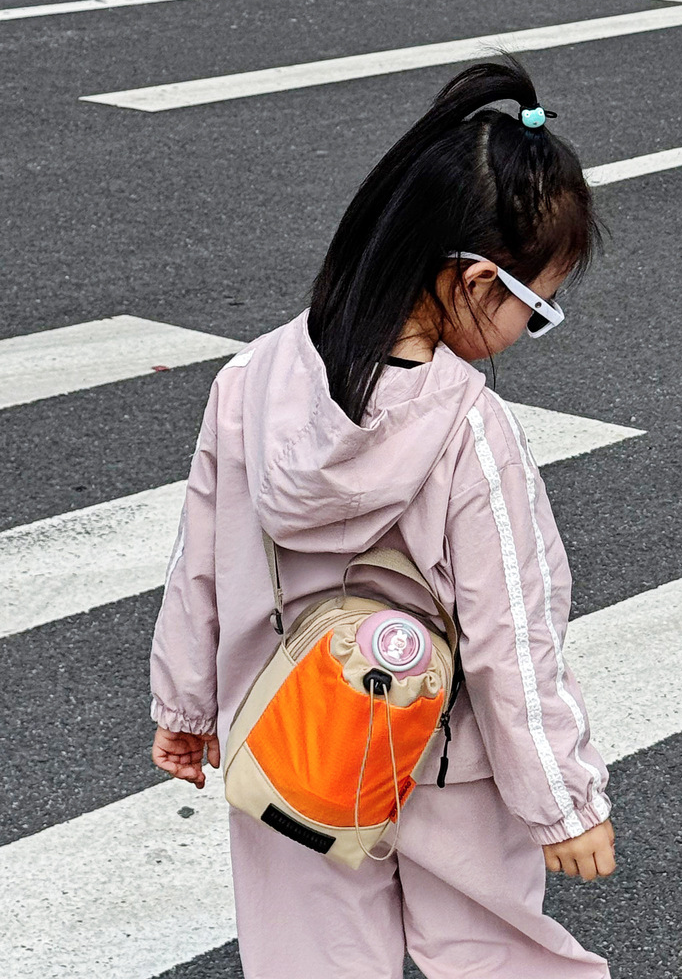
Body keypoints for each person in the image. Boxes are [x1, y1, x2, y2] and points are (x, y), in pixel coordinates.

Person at [149, 54, 616, 978]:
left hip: (290, 735)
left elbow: (200, 558)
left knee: (310, 959)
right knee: (492, 954)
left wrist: (187, 704)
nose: (533, 330)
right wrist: (564, 803)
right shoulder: (470, 432)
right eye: (540, 308)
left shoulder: (251, 382)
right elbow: (513, 635)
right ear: (474, 282)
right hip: (443, 760)